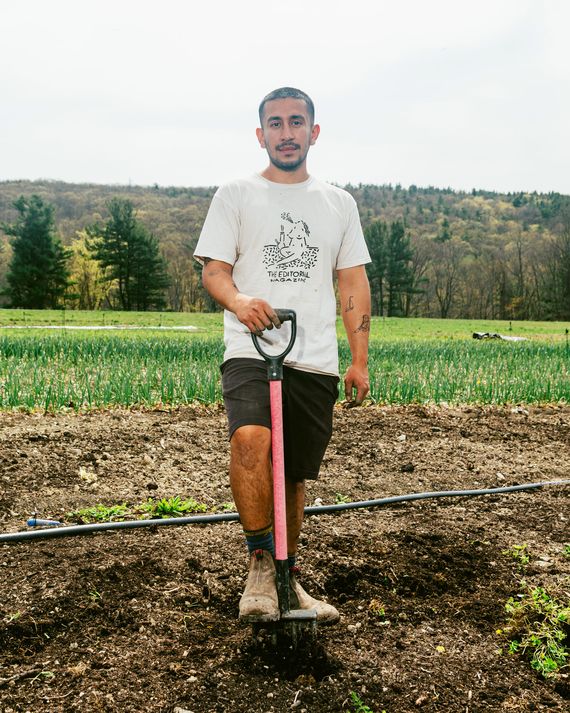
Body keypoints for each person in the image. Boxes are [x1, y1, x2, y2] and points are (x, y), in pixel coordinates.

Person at [194, 87, 371, 624]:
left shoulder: (339, 203)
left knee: (292, 474)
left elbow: (352, 283)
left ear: (314, 133)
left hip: (312, 355)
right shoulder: (236, 194)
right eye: (276, 123)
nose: (286, 132)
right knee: (252, 441)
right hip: (250, 347)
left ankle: (289, 580)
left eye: (297, 122)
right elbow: (214, 270)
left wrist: (359, 358)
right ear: (261, 134)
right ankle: (260, 564)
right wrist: (240, 300)